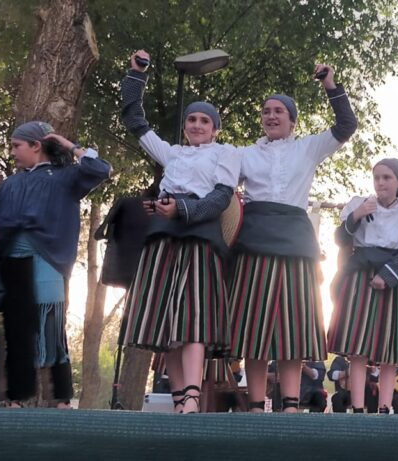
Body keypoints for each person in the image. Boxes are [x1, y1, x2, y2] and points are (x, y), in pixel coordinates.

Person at [117, 50, 242, 413]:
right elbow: (134, 119)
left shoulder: (226, 154)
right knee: (163, 322)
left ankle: (192, 394)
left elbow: (221, 199)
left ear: (215, 128)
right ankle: (176, 398)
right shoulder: (171, 154)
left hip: (201, 240)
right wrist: (136, 74)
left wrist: (181, 208)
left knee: (193, 317)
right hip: (162, 240)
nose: (197, 125)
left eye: (205, 121)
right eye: (191, 120)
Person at [229, 64, 357, 413]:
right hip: (254, 243)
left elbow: (347, 125)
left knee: (292, 331)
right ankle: (255, 404)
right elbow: (220, 187)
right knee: (252, 330)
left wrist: (330, 84)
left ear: (292, 120)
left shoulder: (308, 149)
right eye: (266, 111)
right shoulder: (244, 154)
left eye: (279, 111)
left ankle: (290, 405)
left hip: (298, 246)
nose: (271, 116)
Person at [0, 121, 111, 407]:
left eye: (17, 145)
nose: (12, 152)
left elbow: (101, 169)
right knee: (17, 328)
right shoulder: (10, 183)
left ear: (36, 146)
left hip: (48, 258)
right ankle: (17, 397)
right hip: (10, 260)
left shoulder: (67, 177)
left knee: (50, 325)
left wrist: (68, 145)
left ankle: (62, 397)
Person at [328, 158, 398, 414]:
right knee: (357, 345)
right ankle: (358, 407)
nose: (380, 182)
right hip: (360, 275)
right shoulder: (359, 203)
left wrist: (389, 274)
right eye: (377, 177)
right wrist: (358, 214)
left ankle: (385, 407)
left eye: (387, 177)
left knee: (389, 346)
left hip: (393, 277)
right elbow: (340, 238)